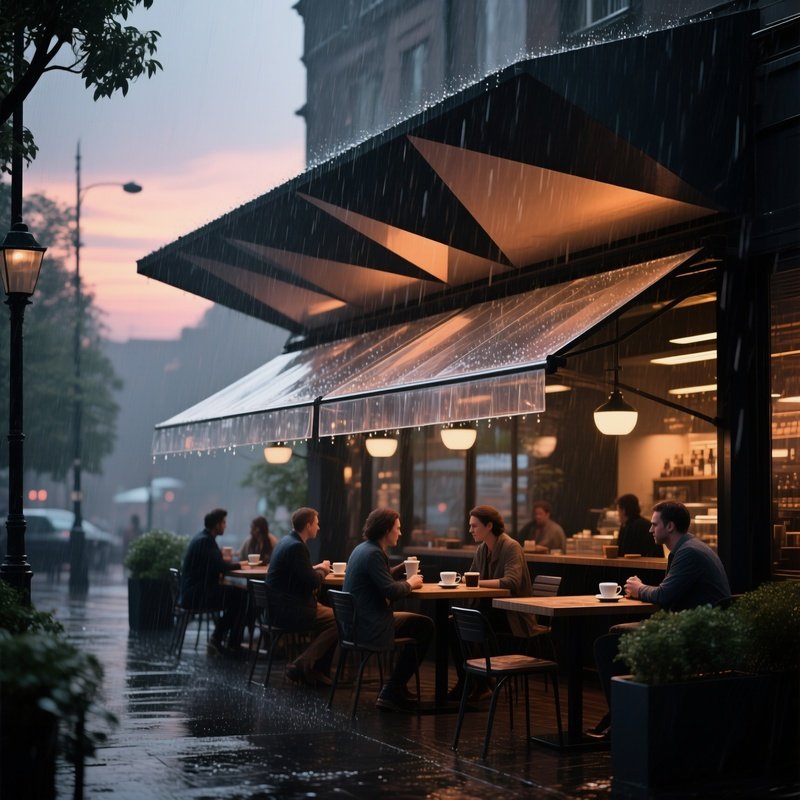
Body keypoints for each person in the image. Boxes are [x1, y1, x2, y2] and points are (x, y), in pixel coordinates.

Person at [588, 500, 731, 738]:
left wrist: (639, 587)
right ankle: (624, 715)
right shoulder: (689, 548)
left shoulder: (688, 553)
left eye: (655, 524)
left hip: (698, 634)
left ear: (670, 526)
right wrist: (643, 590)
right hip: (696, 626)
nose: (650, 529)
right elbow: (668, 593)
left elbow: (663, 596)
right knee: (615, 637)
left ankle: (624, 718)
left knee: (608, 645)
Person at [343, 508, 434, 713]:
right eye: (398, 529)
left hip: (355, 623)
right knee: (425, 626)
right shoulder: (374, 553)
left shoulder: (363, 549)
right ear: (386, 530)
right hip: (370, 625)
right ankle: (392, 690)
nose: (400, 533)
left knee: (419, 624)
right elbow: (391, 591)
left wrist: (401, 567)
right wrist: (410, 583)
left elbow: (379, 579)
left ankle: (397, 688)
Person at [448, 505, 537, 700]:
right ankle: (473, 682)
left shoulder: (511, 546)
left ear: (489, 526)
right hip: (491, 611)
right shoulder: (482, 549)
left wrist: (474, 581)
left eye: (474, 526)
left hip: (512, 614)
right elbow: (470, 577)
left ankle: (475, 683)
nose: (470, 530)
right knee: (453, 623)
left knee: (467, 623)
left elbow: (512, 582)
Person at [265, 507, 338, 687]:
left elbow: (299, 573)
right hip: (292, 611)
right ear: (308, 525)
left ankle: (313, 670)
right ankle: (305, 664)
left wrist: (316, 567)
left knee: (334, 618)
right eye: (317, 524)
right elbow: (313, 582)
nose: (319, 528)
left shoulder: (286, 541)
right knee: (340, 619)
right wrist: (323, 570)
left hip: (277, 609)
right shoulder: (297, 547)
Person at [179, 508, 246, 657]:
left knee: (239, 595)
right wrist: (242, 564)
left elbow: (215, 564)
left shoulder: (203, 539)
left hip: (193, 592)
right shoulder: (206, 541)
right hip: (198, 595)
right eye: (223, 522)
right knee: (242, 597)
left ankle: (224, 639)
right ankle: (224, 641)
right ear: (216, 525)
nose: (225, 526)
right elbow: (220, 566)